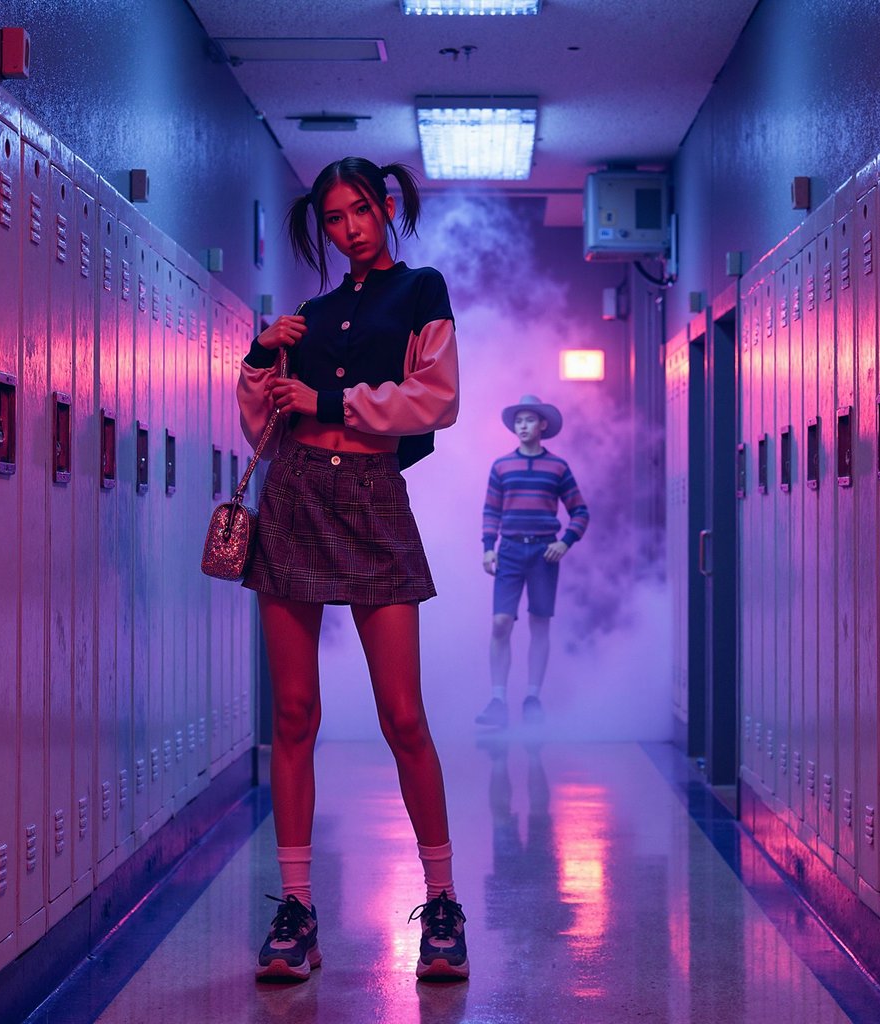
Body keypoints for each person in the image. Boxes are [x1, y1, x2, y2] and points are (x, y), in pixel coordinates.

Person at [236, 157, 468, 983]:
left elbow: (435, 398)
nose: (351, 229)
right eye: (334, 219)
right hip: (294, 494)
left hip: (372, 497)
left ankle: (442, 904)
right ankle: (296, 913)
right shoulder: (309, 313)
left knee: (403, 715)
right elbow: (261, 423)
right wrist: (259, 356)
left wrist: (330, 403)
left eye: (362, 210)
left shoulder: (421, 291)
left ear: (387, 207)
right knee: (293, 714)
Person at [475, 396, 589, 729]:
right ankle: (497, 700)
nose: (523, 426)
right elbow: (491, 510)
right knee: (500, 623)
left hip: (543, 553)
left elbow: (580, 511)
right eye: (519, 420)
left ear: (542, 425)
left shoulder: (558, 467)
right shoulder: (501, 466)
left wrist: (565, 542)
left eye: (529, 420)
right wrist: (488, 546)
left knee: (540, 623)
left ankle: (533, 698)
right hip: (509, 551)